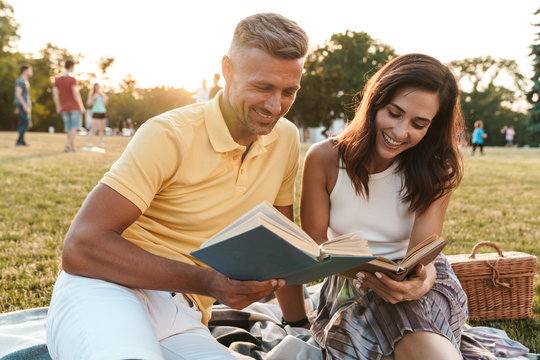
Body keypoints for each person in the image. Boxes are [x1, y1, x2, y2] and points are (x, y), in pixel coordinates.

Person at [46, 12, 309, 360]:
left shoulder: (286, 139)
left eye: (289, 91)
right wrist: (208, 282)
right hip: (105, 288)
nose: (276, 106)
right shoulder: (168, 134)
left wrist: (300, 325)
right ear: (227, 70)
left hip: (182, 313)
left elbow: (280, 244)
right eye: (263, 87)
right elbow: (80, 248)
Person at [300, 54, 489, 360]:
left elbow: (423, 255)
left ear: (433, 126)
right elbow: (315, 243)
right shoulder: (324, 158)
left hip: (419, 281)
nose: (401, 132)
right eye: (394, 113)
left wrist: (419, 285)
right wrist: (365, 276)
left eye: (419, 123)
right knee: (394, 325)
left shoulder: (437, 168)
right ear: (375, 101)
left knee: (414, 327)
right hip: (350, 284)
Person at [52, 60, 85, 152]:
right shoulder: (72, 79)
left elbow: (55, 94)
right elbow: (76, 93)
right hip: (74, 106)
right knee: (74, 127)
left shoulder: (57, 80)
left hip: (64, 107)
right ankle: (67, 145)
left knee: (69, 128)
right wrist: (81, 106)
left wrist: (58, 106)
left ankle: (72, 147)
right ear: (71, 66)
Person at [14, 64, 33, 146]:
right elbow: (18, 94)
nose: (32, 72)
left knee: (23, 123)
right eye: (30, 70)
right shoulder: (21, 81)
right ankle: (19, 141)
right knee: (26, 123)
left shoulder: (25, 81)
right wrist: (24, 106)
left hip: (23, 105)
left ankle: (21, 140)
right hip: (23, 105)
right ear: (25, 71)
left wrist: (18, 106)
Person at [86, 83, 109, 147]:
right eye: (96, 87)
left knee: (101, 129)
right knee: (93, 128)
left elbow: (105, 102)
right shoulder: (91, 94)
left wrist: (104, 97)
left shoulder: (102, 95)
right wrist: (93, 98)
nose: (97, 88)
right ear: (94, 88)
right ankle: (90, 142)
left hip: (102, 112)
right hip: (95, 112)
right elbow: (88, 104)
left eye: (98, 87)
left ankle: (101, 142)